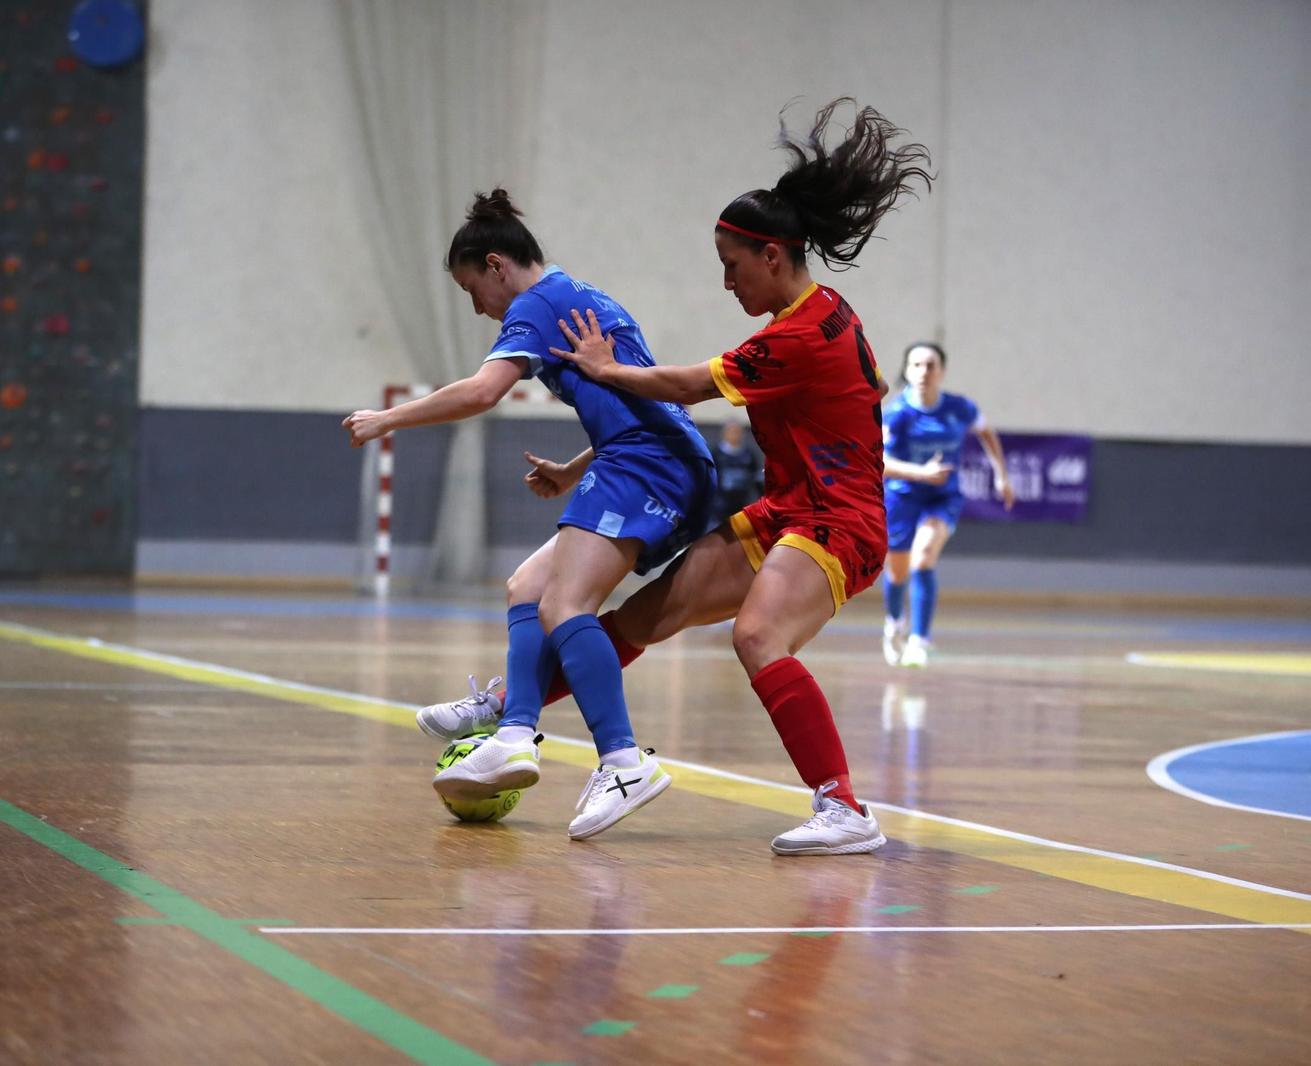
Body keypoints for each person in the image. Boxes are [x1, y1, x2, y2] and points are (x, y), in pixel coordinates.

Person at [422, 98, 930, 856]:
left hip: (840, 521)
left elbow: (689, 387)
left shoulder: (796, 337)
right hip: (786, 510)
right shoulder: (825, 314)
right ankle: (510, 708)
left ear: (771, 256)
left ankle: (843, 807)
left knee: (758, 636)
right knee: (636, 621)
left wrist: (604, 368)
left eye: (731, 267)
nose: (727, 283)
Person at [343, 190, 716, 840]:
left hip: (647, 463)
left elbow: (484, 391)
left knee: (565, 605)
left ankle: (623, 762)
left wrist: (388, 420)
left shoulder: (534, 305)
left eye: (471, 289)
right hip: (656, 459)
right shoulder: (581, 295)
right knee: (530, 588)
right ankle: (514, 732)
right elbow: (632, 397)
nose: (478, 306)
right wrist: (575, 471)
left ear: (496, 265)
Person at [880, 342, 1014, 667]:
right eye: (916, 365)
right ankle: (895, 621)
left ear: (941, 371)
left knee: (923, 557)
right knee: (896, 573)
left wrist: (1001, 474)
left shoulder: (960, 408)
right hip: (902, 495)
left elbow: (986, 433)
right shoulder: (896, 414)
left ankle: (919, 641)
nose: (924, 372)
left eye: (930, 365)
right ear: (907, 371)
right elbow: (877, 462)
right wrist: (921, 473)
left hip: (943, 495)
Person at [711, 420, 764, 527]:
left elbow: (756, 478)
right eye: (732, 432)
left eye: (738, 432)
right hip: (720, 504)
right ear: (724, 433)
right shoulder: (716, 454)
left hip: (742, 501)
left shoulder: (748, 454)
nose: (735, 435)